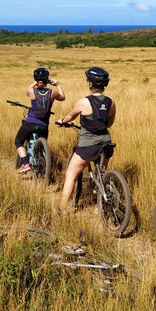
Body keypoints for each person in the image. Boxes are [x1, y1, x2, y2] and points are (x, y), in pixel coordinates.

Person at [56, 67, 117, 212]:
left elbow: (70, 117)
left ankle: (63, 208)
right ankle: (99, 206)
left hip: (88, 145)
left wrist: (62, 121)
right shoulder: (111, 102)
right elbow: (110, 123)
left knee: (71, 173)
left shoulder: (84, 102)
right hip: (106, 143)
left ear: (90, 83)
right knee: (101, 173)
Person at [15, 67, 65, 173]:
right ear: (47, 79)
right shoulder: (53, 93)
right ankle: (42, 162)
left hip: (30, 123)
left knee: (18, 141)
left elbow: (26, 91)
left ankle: (24, 163)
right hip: (44, 125)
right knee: (42, 145)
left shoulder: (32, 91)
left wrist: (35, 82)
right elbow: (62, 97)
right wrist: (58, 85)